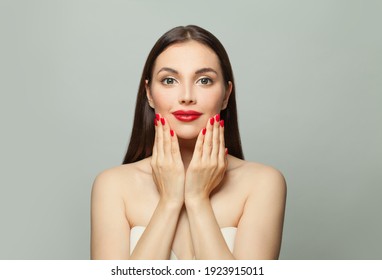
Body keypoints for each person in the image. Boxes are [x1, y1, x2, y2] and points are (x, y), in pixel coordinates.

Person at [90, 25, 286, 260]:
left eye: (204, 80)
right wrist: (170, 202)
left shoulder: (262, 183)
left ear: (225, 95)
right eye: (169, 80)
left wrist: (197, 199)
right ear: (149, 93)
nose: (186, 96)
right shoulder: (113, 186)